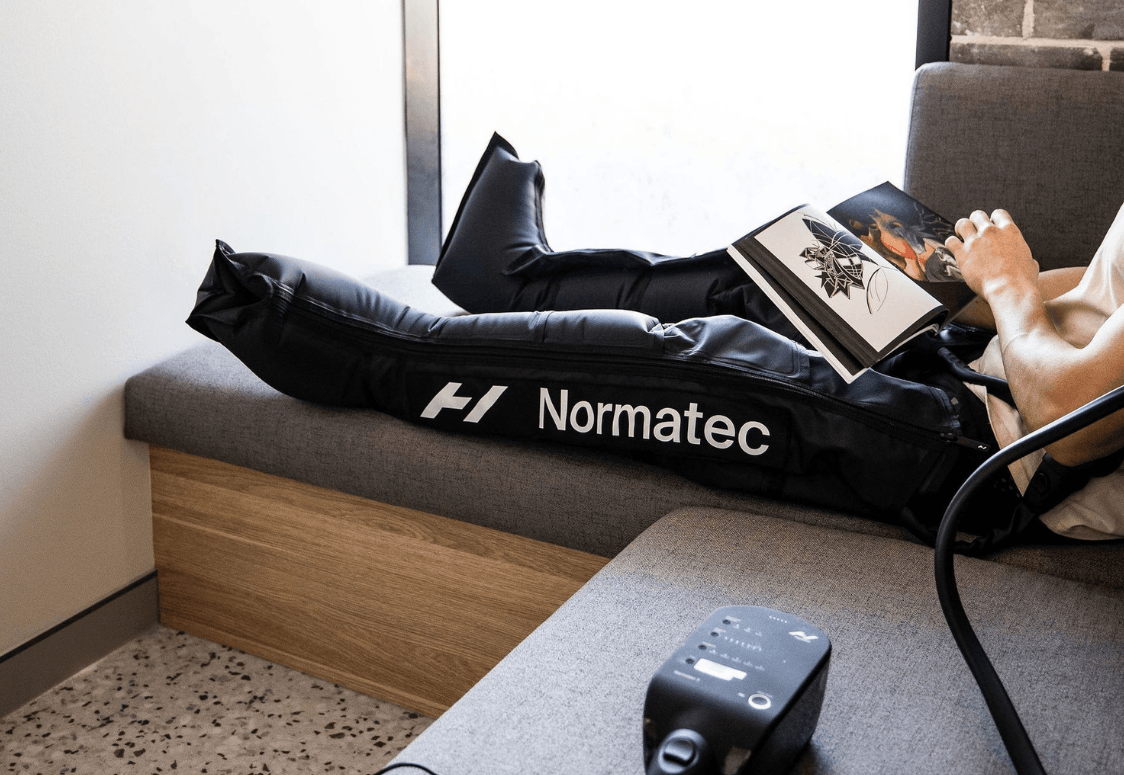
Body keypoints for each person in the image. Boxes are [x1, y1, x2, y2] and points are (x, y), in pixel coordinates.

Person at [431, 136, 1124, 542]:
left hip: (998, 457)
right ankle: (517, 283)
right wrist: (951, 286)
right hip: (984, 365)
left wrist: (1007, 286)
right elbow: (1099, 292)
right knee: (773, 278)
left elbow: (1070, 423)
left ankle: (434, 335)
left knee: (716, 358)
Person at [946, 208, 1124, 540]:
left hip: (1015, 454)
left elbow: (1068, 426)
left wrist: (1003, 283)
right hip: (994, 366)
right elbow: (1106, 285)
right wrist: (952, 293)